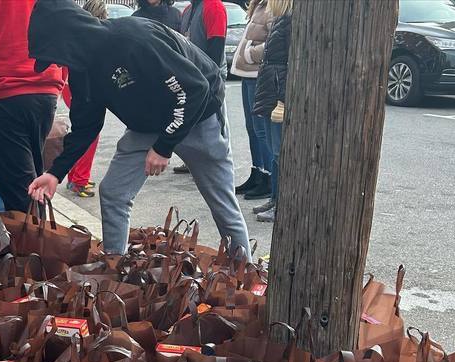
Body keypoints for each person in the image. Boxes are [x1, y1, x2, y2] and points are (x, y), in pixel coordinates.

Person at [28, 0, 251, 260]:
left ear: (68, 41)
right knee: (113, 191)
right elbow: (86, 126)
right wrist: (55, 173)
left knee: (221, 203)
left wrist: (163, 147)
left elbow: (194, 89)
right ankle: (114, 265)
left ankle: (243, 273)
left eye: (55, 56)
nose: (56, 63)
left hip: (197, 114)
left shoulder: (133, 39)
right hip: (147, 124)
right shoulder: (82, 68)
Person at [0, 0, 65, 212]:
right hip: (45, 90)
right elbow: (65, 27)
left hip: (4, 93)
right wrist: (58, 81)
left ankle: (32, 244)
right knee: (32, 184)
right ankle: (37, 239)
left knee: (21, 194)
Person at [173, 0, 227, 175]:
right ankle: (193, 161)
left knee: (213, 126)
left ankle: (216, 164)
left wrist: (210, 79)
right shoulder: (188, 10)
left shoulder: (214, 6)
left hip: (209, 78)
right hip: (193, 76)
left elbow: (216, 47)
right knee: (193, 123)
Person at [63, 0, 108, 198]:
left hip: (71, 88)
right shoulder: (94, 35)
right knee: (90, 135)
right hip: (84, 90)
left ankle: (74, 177)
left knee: (80, 132)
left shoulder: (75, 32)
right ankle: (79, 181)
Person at [230, 0, 274, 205]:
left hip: (258, 75)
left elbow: (275, 42)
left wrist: (249, 54)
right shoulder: (259, 6)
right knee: (252, 128)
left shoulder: (273, 7)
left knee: (260, 130)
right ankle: (257, 172)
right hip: (248, 75)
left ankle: (267, 177)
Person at [252, 0, 291, 223]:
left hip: (276, 92)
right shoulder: (281, 20)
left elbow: (292, 62)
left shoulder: (289, 20)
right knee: (273, 149)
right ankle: (275, 198)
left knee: (278, 153)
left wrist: (283, 99)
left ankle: (280, 203)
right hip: (271, 88)